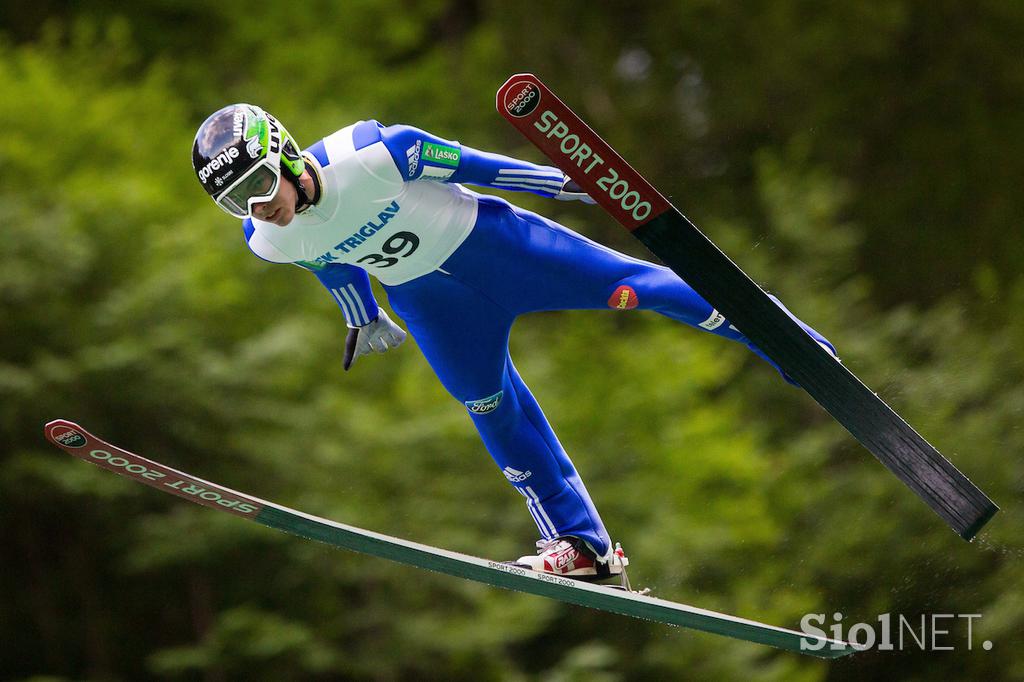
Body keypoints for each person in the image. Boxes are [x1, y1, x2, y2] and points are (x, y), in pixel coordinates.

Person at [191, 103, 836, 582]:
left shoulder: (376, 155)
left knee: (641, 287)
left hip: (499, 249)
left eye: (258, 185)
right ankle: (584, 548)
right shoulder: (269, 239)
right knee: (491, 410)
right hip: (433, 306)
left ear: (287, 157)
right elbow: (327, 259)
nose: (256, 207)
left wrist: (569, 184)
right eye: (234, 202)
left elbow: (480, 166)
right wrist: (361, 315)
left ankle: (791, 345)